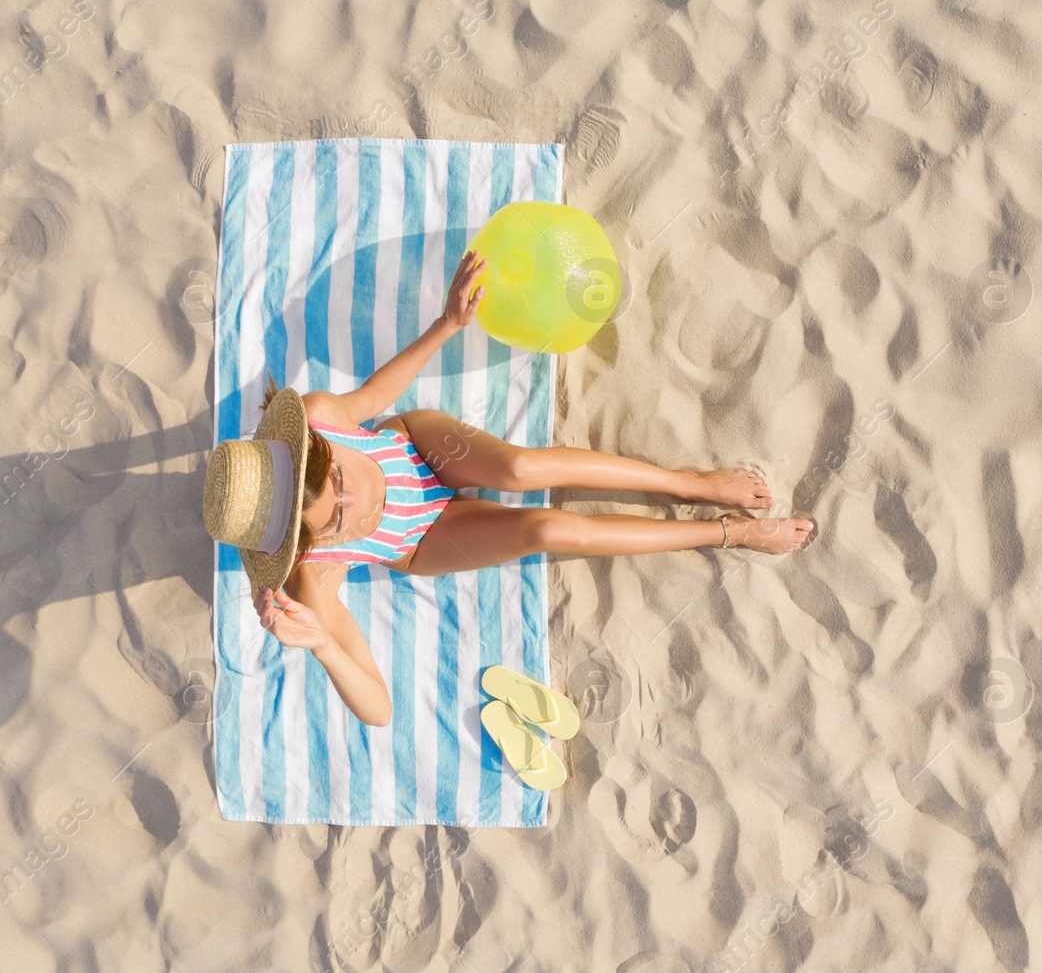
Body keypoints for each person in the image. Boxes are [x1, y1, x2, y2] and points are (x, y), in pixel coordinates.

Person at [204, 249, 816, 727]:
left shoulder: (320, 417)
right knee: (548, 530)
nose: (354, 506)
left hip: (416, 451)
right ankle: (728, 532)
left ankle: (689, 482)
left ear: (315, 449)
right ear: (304, 544)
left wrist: (446, 326)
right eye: (334, 521)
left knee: (521, 471)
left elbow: (375, 397)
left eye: (338, 481)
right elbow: (379, 707)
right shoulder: (314, 576)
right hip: (426, 536)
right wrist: (323, 647)